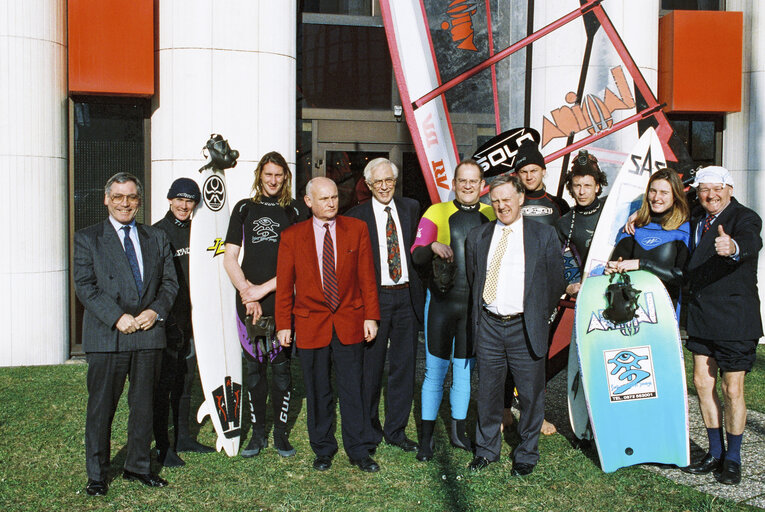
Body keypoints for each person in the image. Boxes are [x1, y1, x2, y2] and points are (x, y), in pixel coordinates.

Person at [73, 172, 178, 496]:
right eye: (118, 197)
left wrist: (155, 311)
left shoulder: (156, 237)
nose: (125, 203)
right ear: (106, 199)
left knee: (144, 405)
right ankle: (97, 474)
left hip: (147, 334)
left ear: (139, 200)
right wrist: (117, 317)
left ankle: (138, 467)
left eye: (131, 197)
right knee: (102, 408)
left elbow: (170, 283)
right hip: (108, 335)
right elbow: (85, 286)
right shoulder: (87, 238)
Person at [275, 177, 381, 472]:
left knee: (353, 389)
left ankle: (358, 450)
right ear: (309, 202)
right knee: (318, 390)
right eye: (324, 199)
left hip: (350, 321)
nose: (331, 203)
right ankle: (323, 448)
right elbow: (285, 286)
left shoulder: (356, 229)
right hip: (310, 325)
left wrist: (371, 316)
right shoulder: (292, 236)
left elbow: (367, 278)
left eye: (334, 197)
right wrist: (284, 324)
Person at [465, 174, 566, 476]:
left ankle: (526, 453)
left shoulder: (543, 236)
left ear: (521, 198)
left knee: (532, 394)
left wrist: (535, 314)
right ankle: (486, 450)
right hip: (489, 326)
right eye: (495, 201)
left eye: (507, 199)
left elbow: (556, 282)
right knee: (488, 392)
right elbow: (475, 280)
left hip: (525, 326)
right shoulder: (478, 237)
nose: (501, 206)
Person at [680, 166, 762, 485]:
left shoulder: (745, 217)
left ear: (729, 188)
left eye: (717, 189)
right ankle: (714, 452)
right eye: (704, 190)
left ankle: (734, 459)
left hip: (734, 317)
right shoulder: (697, 219)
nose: (710, 195)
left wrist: (734, 248)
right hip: (702, 314)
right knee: (702, 383)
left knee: (732, 388)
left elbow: (750, 242)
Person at [224, 152, 308, 458]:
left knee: (281, 370)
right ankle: (257, 434)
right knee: (255, 369)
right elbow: (229, 257)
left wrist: (263, 290)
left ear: (285, 176)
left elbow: (301, 263)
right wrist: (247, 291)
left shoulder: (296, 210)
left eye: (279, 175)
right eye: (268, 174)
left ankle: (281, 435)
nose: (273, 180)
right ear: (260, 175)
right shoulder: (244, 208)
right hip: (248, 302)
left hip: (281, 297)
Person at [411, 159, 495, 461]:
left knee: (463, 373)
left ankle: (458, 433)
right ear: (454, 183)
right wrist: (431, 246)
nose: (468, 186)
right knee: (434, 373)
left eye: (474, 181)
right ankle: (426, 438)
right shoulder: (437, 212)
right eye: (462, 180)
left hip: (472, 310)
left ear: (481, 183)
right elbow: (416, 256)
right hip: (442, 306)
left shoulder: (491, 214)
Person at [346, 158, 425, 453]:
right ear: (368, 185)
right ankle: (368, 430)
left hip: (405, 296)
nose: (384, 186)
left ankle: (396, 430)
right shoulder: (356, 217)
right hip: (374, 298)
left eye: (388, 180)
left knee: (404, 367)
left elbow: (419, 250)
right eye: (377, 182)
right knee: (371, 367)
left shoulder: (411, 208)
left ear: (395, 180)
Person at [507, 139, 570, 435]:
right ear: (517, 175)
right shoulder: (510, 202)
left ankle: (536, 413)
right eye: (524, 171)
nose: (529, 176)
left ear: (543, 171)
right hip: (513, 289)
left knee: (538, 353)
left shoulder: (559, 205)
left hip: (546, 293)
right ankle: (506, 408)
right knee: (509, 349)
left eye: (534, 170)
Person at [152, 178, 214, 468]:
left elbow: (217, 260)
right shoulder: (155, 233)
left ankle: (184, 437)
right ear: (169, 200)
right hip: (168, 321)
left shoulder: (200, 232)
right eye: (179, 199)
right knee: (165, 384)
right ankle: (163, 445)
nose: (183, 205)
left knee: (187, 380)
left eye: (189, 200)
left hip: (195, 320)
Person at [605, 168, 690, 308]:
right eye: (653, 191)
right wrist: (611, 269)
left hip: (665, 312)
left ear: (675, 196)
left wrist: (642, 264)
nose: (656, 198)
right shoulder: (633, 227)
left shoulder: (683, 230)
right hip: (630, 310)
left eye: (664, 193)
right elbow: (614, 268)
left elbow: (682, 278)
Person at [556, 150, 609, 296]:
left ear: (597, 187)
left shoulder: (613, 209)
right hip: (589, 292)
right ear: (571, 188)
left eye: (587, 186)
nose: (582, 192)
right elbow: (553, 263)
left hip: (618, 287)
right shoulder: (565, 223)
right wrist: (567, 286)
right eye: (577, 185)